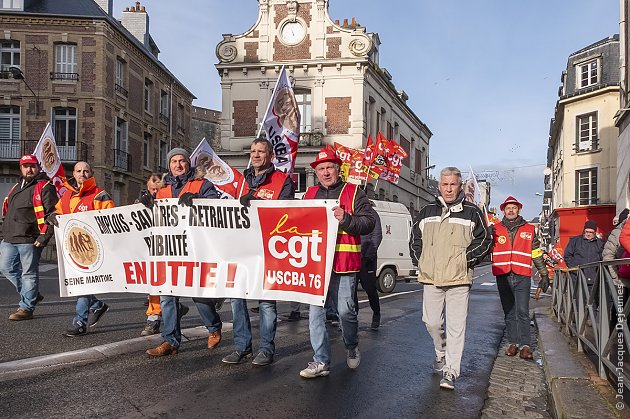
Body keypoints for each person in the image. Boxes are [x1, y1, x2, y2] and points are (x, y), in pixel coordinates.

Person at [409, 166, 492, 390]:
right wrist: (421, 261)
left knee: (456, 327)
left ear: (460, 185)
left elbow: (485, 241)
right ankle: (440, 353)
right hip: (431, 276)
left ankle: (451, 371)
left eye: (453, 184)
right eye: (445, 184)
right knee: (431, 322)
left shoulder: (472, 212)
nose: (448, 189)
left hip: (459, 279)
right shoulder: (426, 211)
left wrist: (464, 260)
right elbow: (415, 239)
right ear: (439, 186)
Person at [299, 147, 377, 379]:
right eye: (321, 168)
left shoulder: (354, 193)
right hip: (315, 264)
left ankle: (351, 346)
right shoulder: (309, 194)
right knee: (315, 315)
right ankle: (321, 361)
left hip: (343, 263)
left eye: (329, 168)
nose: (325, 172)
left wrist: (347, 219)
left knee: (346, 312)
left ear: (337, 169)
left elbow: (369, 223)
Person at [141, 148, 223, 356]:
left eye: (182, 161)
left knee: (198, 294)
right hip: (169, 249)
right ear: (169, 165)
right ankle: (170, 341)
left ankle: (213, 327)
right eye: (174, 161)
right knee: (167, 296)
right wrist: (146, 206)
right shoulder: (162, 188)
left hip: (196, 249)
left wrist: (197, 199)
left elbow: (218, 208)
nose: (178, 165)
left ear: (189, 163)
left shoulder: (202, 184)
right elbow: (153, 219)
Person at [222, 138, 295, 367]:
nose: (255, 155)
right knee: (236, 300)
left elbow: (287, 214)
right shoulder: (240, 180)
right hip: (240, 250)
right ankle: (242, 347)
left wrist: (256, 203)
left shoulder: (282, 181)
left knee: (265, 303)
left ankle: (266, 349)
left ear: (270, 155)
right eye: (253, 151)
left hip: (267, 251)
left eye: (261, 151)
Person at [47, 162, 114, 336]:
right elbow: (59, 212)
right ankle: (97, 305)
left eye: (86, 171)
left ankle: (79, 321)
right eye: (79, 171)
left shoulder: (100, 195)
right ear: (74, 174)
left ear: (91, 173)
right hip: (73, 248)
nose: (82, 174)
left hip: (93, 250)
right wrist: (53, 216)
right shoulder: (67, 195)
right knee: (80, 284)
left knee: (83, 285)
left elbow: (111, 218)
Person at [0, 154, 58, 320]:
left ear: (38, 167)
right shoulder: (16, 187)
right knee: (5, 268)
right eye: (26, 166)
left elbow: (52, 215)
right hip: (9, 237)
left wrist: (43, 237)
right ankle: (31, 294)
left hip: (29, 239)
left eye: (33, 166)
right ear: (21, 168)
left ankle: (26, 308)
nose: (29, 169)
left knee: (29, 274)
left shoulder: (45, 186)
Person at [491, 196, 549, 360]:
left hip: (522, 274)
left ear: (518, 210)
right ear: (503, 210)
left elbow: (536, 252)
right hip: (503, 275)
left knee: (522, 311)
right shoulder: (495, 229)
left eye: (514, 208)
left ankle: (525, 345)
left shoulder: (529, 229)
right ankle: (513, 343)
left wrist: (543, 273)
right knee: (509, 311)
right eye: (508, 208)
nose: (511, 210)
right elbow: (485, 249)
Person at [354, 206, 383, 330]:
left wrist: (369, 255)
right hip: (352, 257)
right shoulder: (351, 210)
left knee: (370, 289)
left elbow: (377, 235)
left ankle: (376, 313)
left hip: (367, 258)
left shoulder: (371, 213)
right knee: (351, 290)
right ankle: (352, 318)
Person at [564, 220, 605, 291]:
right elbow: (567, 256)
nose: (588, 234)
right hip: (577, 277)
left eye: (591, 232)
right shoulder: (575, 241)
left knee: (593, 301)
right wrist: (575, 269)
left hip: (594, 279)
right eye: (586, 232)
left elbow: (603, 258)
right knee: (578, 300)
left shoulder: (600, 244)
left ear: (595, 232)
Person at [604, 209, 630, 285]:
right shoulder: (616, 233)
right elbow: (608, 256)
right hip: (622, 279)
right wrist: (615, 277)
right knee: (619, 297)